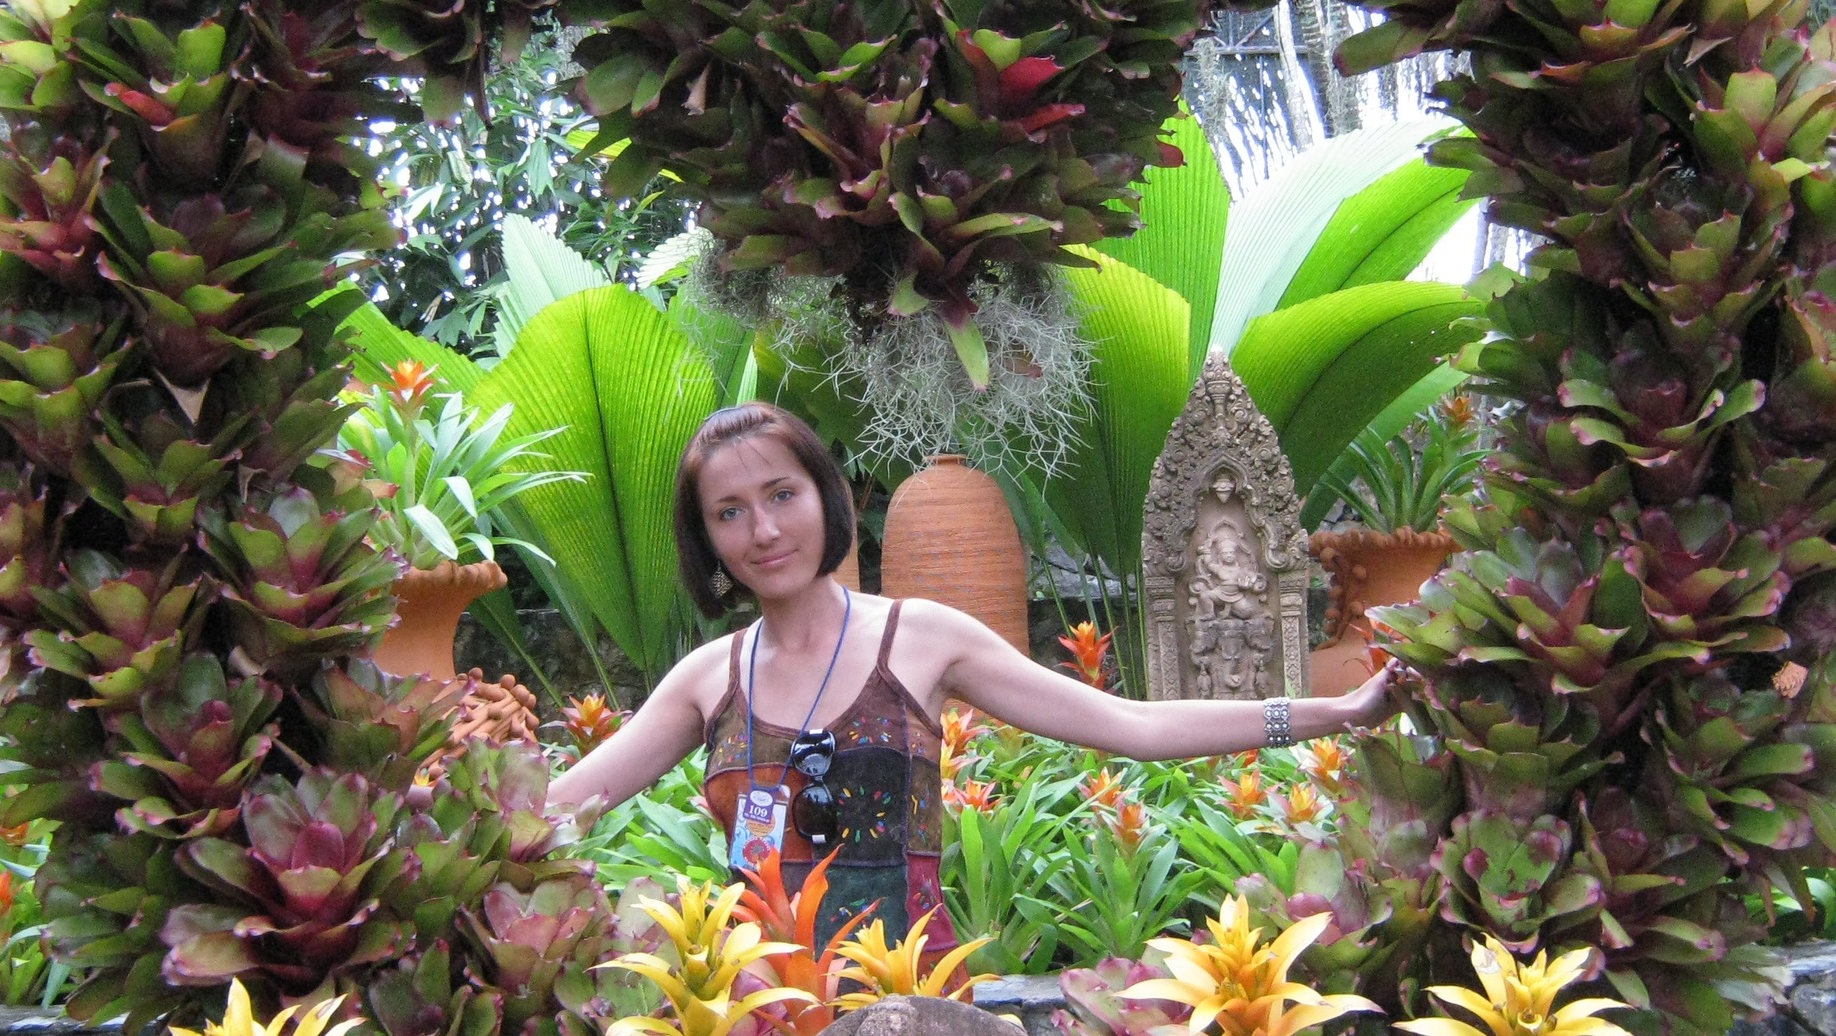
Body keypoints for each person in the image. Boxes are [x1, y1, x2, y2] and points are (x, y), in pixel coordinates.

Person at [547, 402, 1398, 944]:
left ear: (824, 497)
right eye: (729, 512)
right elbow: (556, 810)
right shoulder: (709, 679)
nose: (763, 531)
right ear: (707, 541)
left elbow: (1134, 727)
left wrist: (1336, 713)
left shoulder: (921, 640)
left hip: (915, 1014)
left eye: (781, 495)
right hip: (759, 1019)